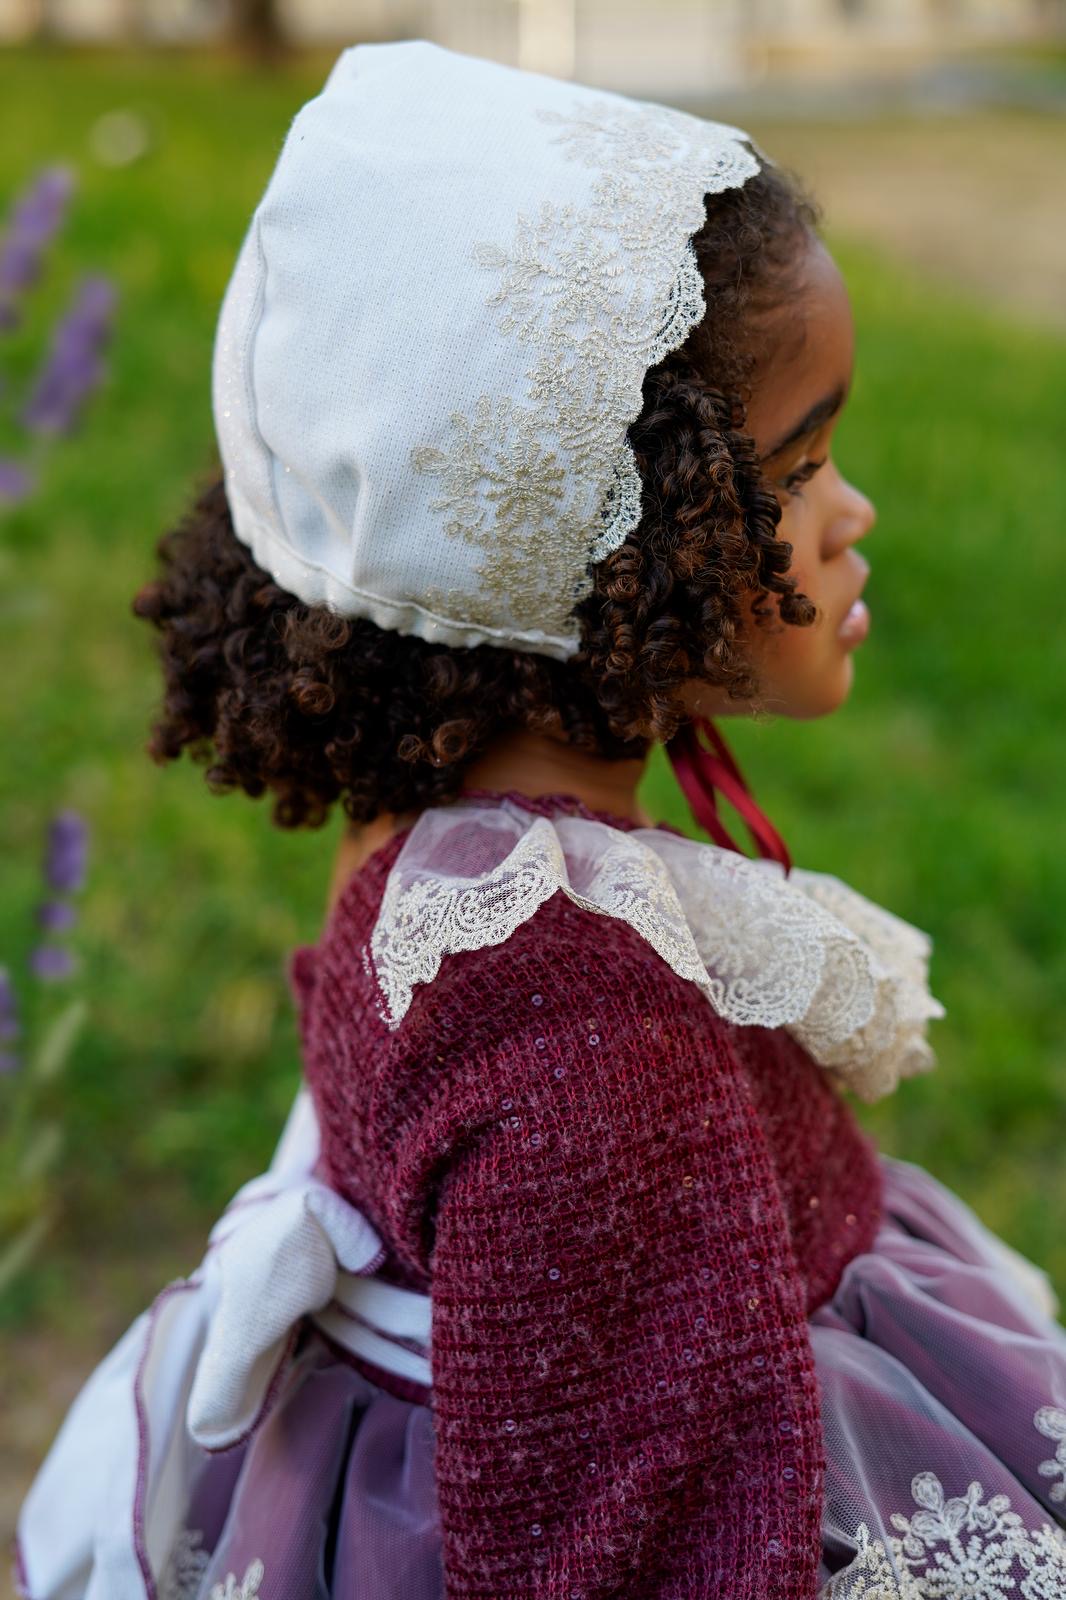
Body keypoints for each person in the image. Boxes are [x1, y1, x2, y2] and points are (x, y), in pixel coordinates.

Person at [14, 38, 1066, 1600]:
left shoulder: (446, 856)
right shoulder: (579, 1015)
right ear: (600, 545)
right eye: (794, 463)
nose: (851, 516)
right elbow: (640, 1539)